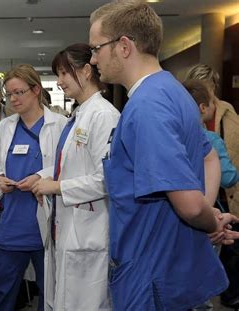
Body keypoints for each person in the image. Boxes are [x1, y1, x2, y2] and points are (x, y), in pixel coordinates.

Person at [89, 1, 237, 309]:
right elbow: (209, 159)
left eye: (97, 48)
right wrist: (210, 213)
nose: (93, 59)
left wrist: (208, 219)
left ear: (124, 46)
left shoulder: (146, 107)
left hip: (150, 273)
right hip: (169, 264)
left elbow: (190, 206)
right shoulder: (173, 91)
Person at [32, 43, 120, 310]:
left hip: (89, 229)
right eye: (57, 74)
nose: (59, 82)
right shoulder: (79, 114)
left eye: (64, 73)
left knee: (86, 303)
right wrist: (41, 177)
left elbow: (105, 179)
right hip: (70, 226)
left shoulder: (104, 115)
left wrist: (56, 187)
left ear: (86, 70)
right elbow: (72, 166)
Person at [0, 64, 66, 311]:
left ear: (36, 90)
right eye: (9, 94)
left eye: (19, 92)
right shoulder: (6, 127)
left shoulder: (59, 125)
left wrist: (40, 176)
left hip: (45, 222)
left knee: (49, 290)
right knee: (4, 291)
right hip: (11, 223)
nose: (13, 99)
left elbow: (68, 166)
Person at [185, 64, 239, 216]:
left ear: (213, 88)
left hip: (226, 198)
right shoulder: (181, 114)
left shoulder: (229, 116)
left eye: (205, 87)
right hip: (195, 196)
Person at [183, 79, 238, 191]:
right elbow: (227, 179)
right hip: (204, 200)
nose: (215, 106)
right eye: (213, 102)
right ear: (203, 108)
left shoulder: (174, 134)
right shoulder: (212, 139)